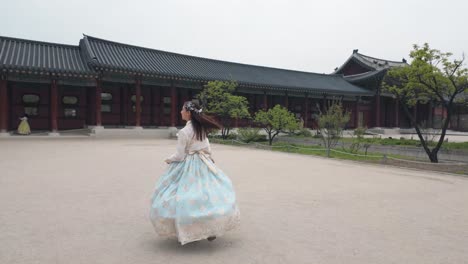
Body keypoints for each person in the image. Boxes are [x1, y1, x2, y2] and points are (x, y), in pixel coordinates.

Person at [149, 101, 240, 245]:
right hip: (204, 162)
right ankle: (210, 226)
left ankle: (188, 227)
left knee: (182, 195)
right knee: (207, 193)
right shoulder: (201, 129)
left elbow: (180, 155)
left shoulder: (184, 132)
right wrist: (208, 158)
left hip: (188, 165)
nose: (180, 112)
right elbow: (207, 147)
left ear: (189, 113)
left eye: (182, 109)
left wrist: (168, 159)